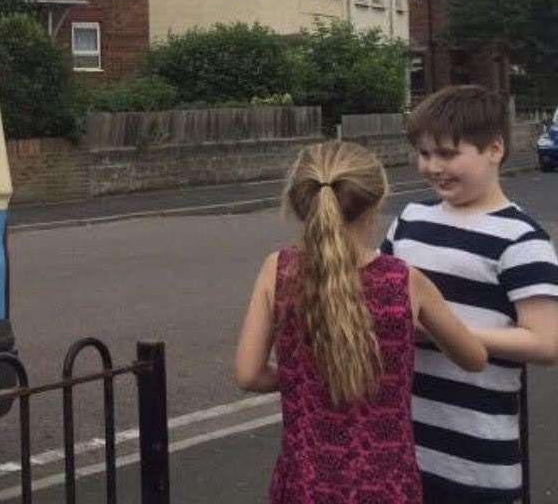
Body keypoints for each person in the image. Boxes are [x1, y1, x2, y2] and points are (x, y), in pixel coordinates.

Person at [235, 140, 487, 504]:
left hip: (305, 483)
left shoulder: (279, 269)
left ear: (299, 202)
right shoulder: (404, 280)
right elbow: (473, 357)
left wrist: (302, 374)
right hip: (387, 483)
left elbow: (248, 374)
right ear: (377, 201)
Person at [383, 86, 558, 504]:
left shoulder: (521, 240)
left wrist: (444, 331)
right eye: (424, 154)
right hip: (400, 446)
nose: (432, 167)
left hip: (479, 457)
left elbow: (546, 343)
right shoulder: (408, 220)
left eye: (447, 154)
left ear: (494, 149)